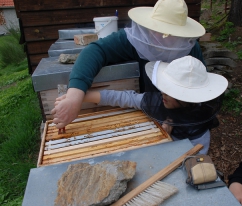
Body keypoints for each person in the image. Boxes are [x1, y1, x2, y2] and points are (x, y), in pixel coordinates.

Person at [51, 0, 206, 129]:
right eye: (157, 30)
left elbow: (198, 97)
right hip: (146, 110)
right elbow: (95, 51)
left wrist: (175, 120)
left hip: (177, 123)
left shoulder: (190, 49)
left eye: (169, 34)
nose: (160, 36)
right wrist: (75, 97)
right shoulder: (136, 38)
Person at [56, 56, 228, 154]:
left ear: (187, 98)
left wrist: (167, 140)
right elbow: (125, 98)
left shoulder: (199, 130)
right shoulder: (158, 102)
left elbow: (194, 163)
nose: (163, 94)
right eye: (164, 88)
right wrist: (79, 97)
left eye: (170, 91)